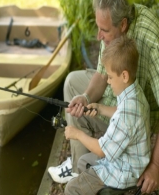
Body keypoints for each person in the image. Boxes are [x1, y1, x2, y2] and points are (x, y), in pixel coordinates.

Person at [48, 0, 159, 194]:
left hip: (135, 118)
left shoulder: (152, 40)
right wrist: (87, 99)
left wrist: (155, 167)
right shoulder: (110, 30)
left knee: (74, 187)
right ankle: (82, 169)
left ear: (123, 25)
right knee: (72, 84)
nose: (98, 36)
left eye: (104, 31)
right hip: (120, 98)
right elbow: (101, 73)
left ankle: (90, 180)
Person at [64, 35, 151, 194]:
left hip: (123, 174)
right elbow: (120, 110)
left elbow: (102, 150)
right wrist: (100, 108)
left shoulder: (125, 115)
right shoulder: (135, 92)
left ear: (124, 76)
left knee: (71, 188)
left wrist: (77, 134)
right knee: (84, 162)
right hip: (130, 162)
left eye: (110, 77)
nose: (108, 82)